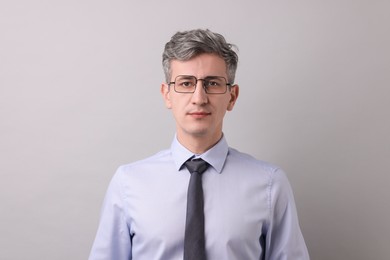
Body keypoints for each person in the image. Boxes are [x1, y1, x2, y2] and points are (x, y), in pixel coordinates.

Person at [89, 29, 310, 260]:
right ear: (167, 95)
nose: (199, 97)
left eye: (212, 83)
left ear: (232, 97)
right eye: (185, 83)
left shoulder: (270, 185)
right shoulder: (128, 184)